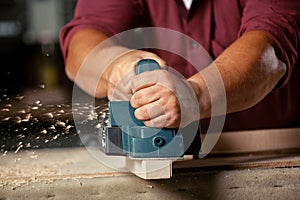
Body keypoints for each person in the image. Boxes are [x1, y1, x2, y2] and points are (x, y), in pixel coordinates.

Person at [60, 0, 300, 132]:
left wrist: (195, 96)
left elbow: (270, 49)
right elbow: (82, 42)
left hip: (272, 149)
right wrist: (116, 67)